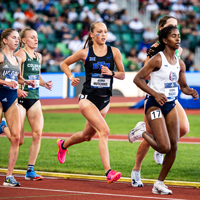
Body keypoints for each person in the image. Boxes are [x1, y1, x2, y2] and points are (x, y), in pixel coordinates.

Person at [129, 26, 198, 195]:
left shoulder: (180, 63)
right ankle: (141, 131)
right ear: (165, 40)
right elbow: (137, 79)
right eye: (174, 36)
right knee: (164, 147)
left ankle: (159, 184)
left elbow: (182, 85)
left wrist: (190, 91)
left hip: (170, 105)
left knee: (173, 148)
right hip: (154, 104)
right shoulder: (157, 59)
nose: (178, 39)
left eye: (179, 36)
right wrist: (154, 93)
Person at [57, 21, 125, 183]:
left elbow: (122, 74)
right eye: (100, 32)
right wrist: (71, 77)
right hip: (87, 99)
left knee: (87, 136)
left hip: (105, 100)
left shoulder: (114, 52)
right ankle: (108, 171)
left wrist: (112, 73)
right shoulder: (84, 53)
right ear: (92, 35)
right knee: (104, 131)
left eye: (105, 32)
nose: (103, 35)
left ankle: (63, 144)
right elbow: (64, 63)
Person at [14, 27, 53, 181]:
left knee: (38, 133)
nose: (36, 40)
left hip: (34, 97)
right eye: (32, 37)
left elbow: (37, 77)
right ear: (23, 40)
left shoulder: (38, 56)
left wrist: (45, 84)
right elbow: (11, 74)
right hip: (20, 99)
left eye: (36, 37)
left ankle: (30, 170)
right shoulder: (20, 54)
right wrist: (17, 89)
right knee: (19, 139)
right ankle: (3, 125)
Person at [0, 28, 35, 186]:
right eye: (13, 38)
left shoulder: (16, 59)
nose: (16, 40)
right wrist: (5, 82)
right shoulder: (1, 56)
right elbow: (7, 79)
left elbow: (18, 78)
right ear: (5, 40)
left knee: (15, 138)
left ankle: (9, 176)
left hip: (12, 98)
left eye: (17, 38)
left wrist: (26, 82)